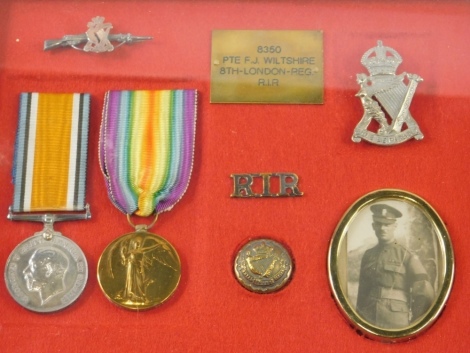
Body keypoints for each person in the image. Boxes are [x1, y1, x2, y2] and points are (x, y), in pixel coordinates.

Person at [356, 204, 434, 329]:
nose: (382, 228)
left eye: (387, 225)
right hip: (368, 316)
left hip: (396, 319)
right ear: (373, 226)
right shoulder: (368, 255)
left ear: (394, 226)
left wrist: (416, 321)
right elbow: (362, 292)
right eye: (378, 224)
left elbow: (424, 291)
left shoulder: (406, 255)